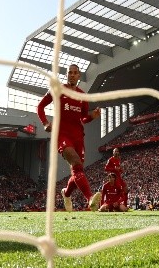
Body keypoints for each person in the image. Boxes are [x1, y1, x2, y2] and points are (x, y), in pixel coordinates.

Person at [37, 64, 101, 212]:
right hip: (62, 134)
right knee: (76, 163)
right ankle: (90, 198)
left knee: (78, 170)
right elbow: (40, 107)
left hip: (78, 135)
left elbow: (83, 118)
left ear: (79, 76)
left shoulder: (82, 95)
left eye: (75, 73)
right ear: (66, 75)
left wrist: (92, 116)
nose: (72, 75)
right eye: (69, 73)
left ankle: (66, 193)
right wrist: (45, 122)